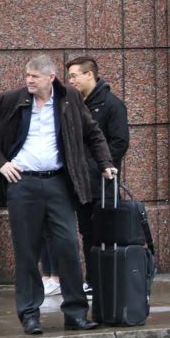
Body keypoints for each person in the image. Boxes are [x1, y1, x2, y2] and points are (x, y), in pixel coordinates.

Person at [0, 55, 116, 335]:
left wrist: (105, 163)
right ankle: (30, 314)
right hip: (23, 184)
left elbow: (93, 133)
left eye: (35, 76)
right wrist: (1, 163)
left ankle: (76, 313)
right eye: (27, 75)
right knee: (26, 251)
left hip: (58, 183)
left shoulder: (68, 98)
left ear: (50, 77)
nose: (29, 80)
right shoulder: (10, 100)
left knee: (68, 247)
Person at [66, 56, 129, 293]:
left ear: (89, 75)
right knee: (87, 233)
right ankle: (92, 281)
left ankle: (108, 281)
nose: (70, 80)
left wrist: (96, 166)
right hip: (80, 183)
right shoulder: (73, 104)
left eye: (74, 75)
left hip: (102, 182)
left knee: (106, 232)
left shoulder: (112, 105)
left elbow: (120, 143)